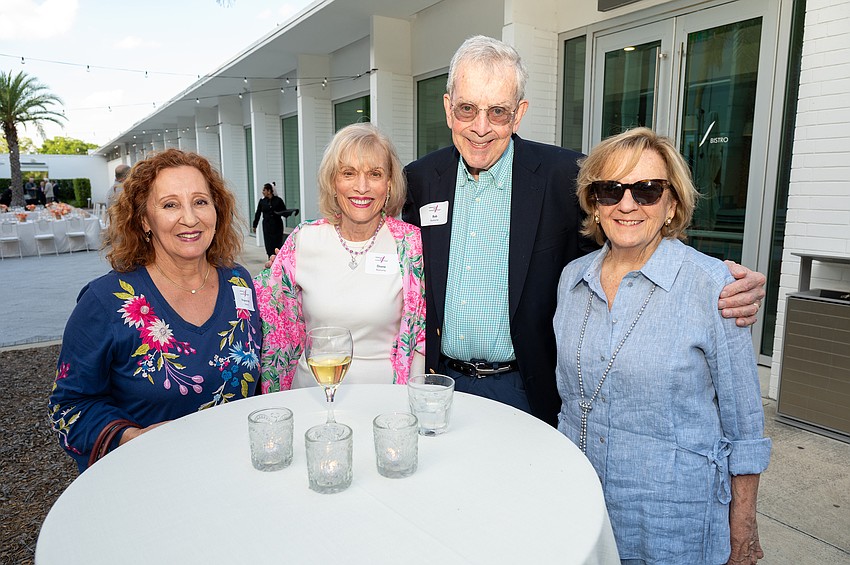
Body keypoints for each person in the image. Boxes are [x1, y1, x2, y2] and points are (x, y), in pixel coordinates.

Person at [403, 35, 766, 427]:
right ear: (447, 107)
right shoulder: (422, 179)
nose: (480, 128)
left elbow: (632, 232)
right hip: (439, 385)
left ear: (519, 113)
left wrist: (717, 283)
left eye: (498, 112)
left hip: (526, 389)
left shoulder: (565, 177)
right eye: (467, 109)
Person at [554, 127, 771, 564]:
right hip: (583, 500)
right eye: (611, 189)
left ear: (671, 204)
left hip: (674, 520)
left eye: (648, 190)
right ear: (594, 203)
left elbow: (744, 425)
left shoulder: (713, 287)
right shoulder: (572, 280)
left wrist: (743, 526)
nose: (628, 204)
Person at [48, 149, 262, 472]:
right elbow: (68, 407)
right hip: (150, 481)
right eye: (170, 205)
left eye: (200, 202)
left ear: (217, 210)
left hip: (236, 471)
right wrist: (129, 437)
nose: (190, 218)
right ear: (145, 220)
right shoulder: (106, 302)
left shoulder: (239, 284)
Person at [255, 123, 425, 392]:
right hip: (310, 394)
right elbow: (271, 319)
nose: (361, 186)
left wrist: (411, 401)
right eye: (348, 173)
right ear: (333, 182)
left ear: (389, 184)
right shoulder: (303, 239)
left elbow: (422, 337)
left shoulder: (410, 245)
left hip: (384, 400)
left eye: (375, 174)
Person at [252, 182, 288, 258]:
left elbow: (284, 211)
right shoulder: (262, 201)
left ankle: (278, 259)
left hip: (277, 224)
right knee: (268, 243)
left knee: (277, 242)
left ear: (269, 191)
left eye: (264, 190)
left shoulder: (278, 200)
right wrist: (255, 225)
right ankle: (270, 257)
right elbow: (258, 213)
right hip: (267, 225)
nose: (262, 192)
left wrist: (287, 214)